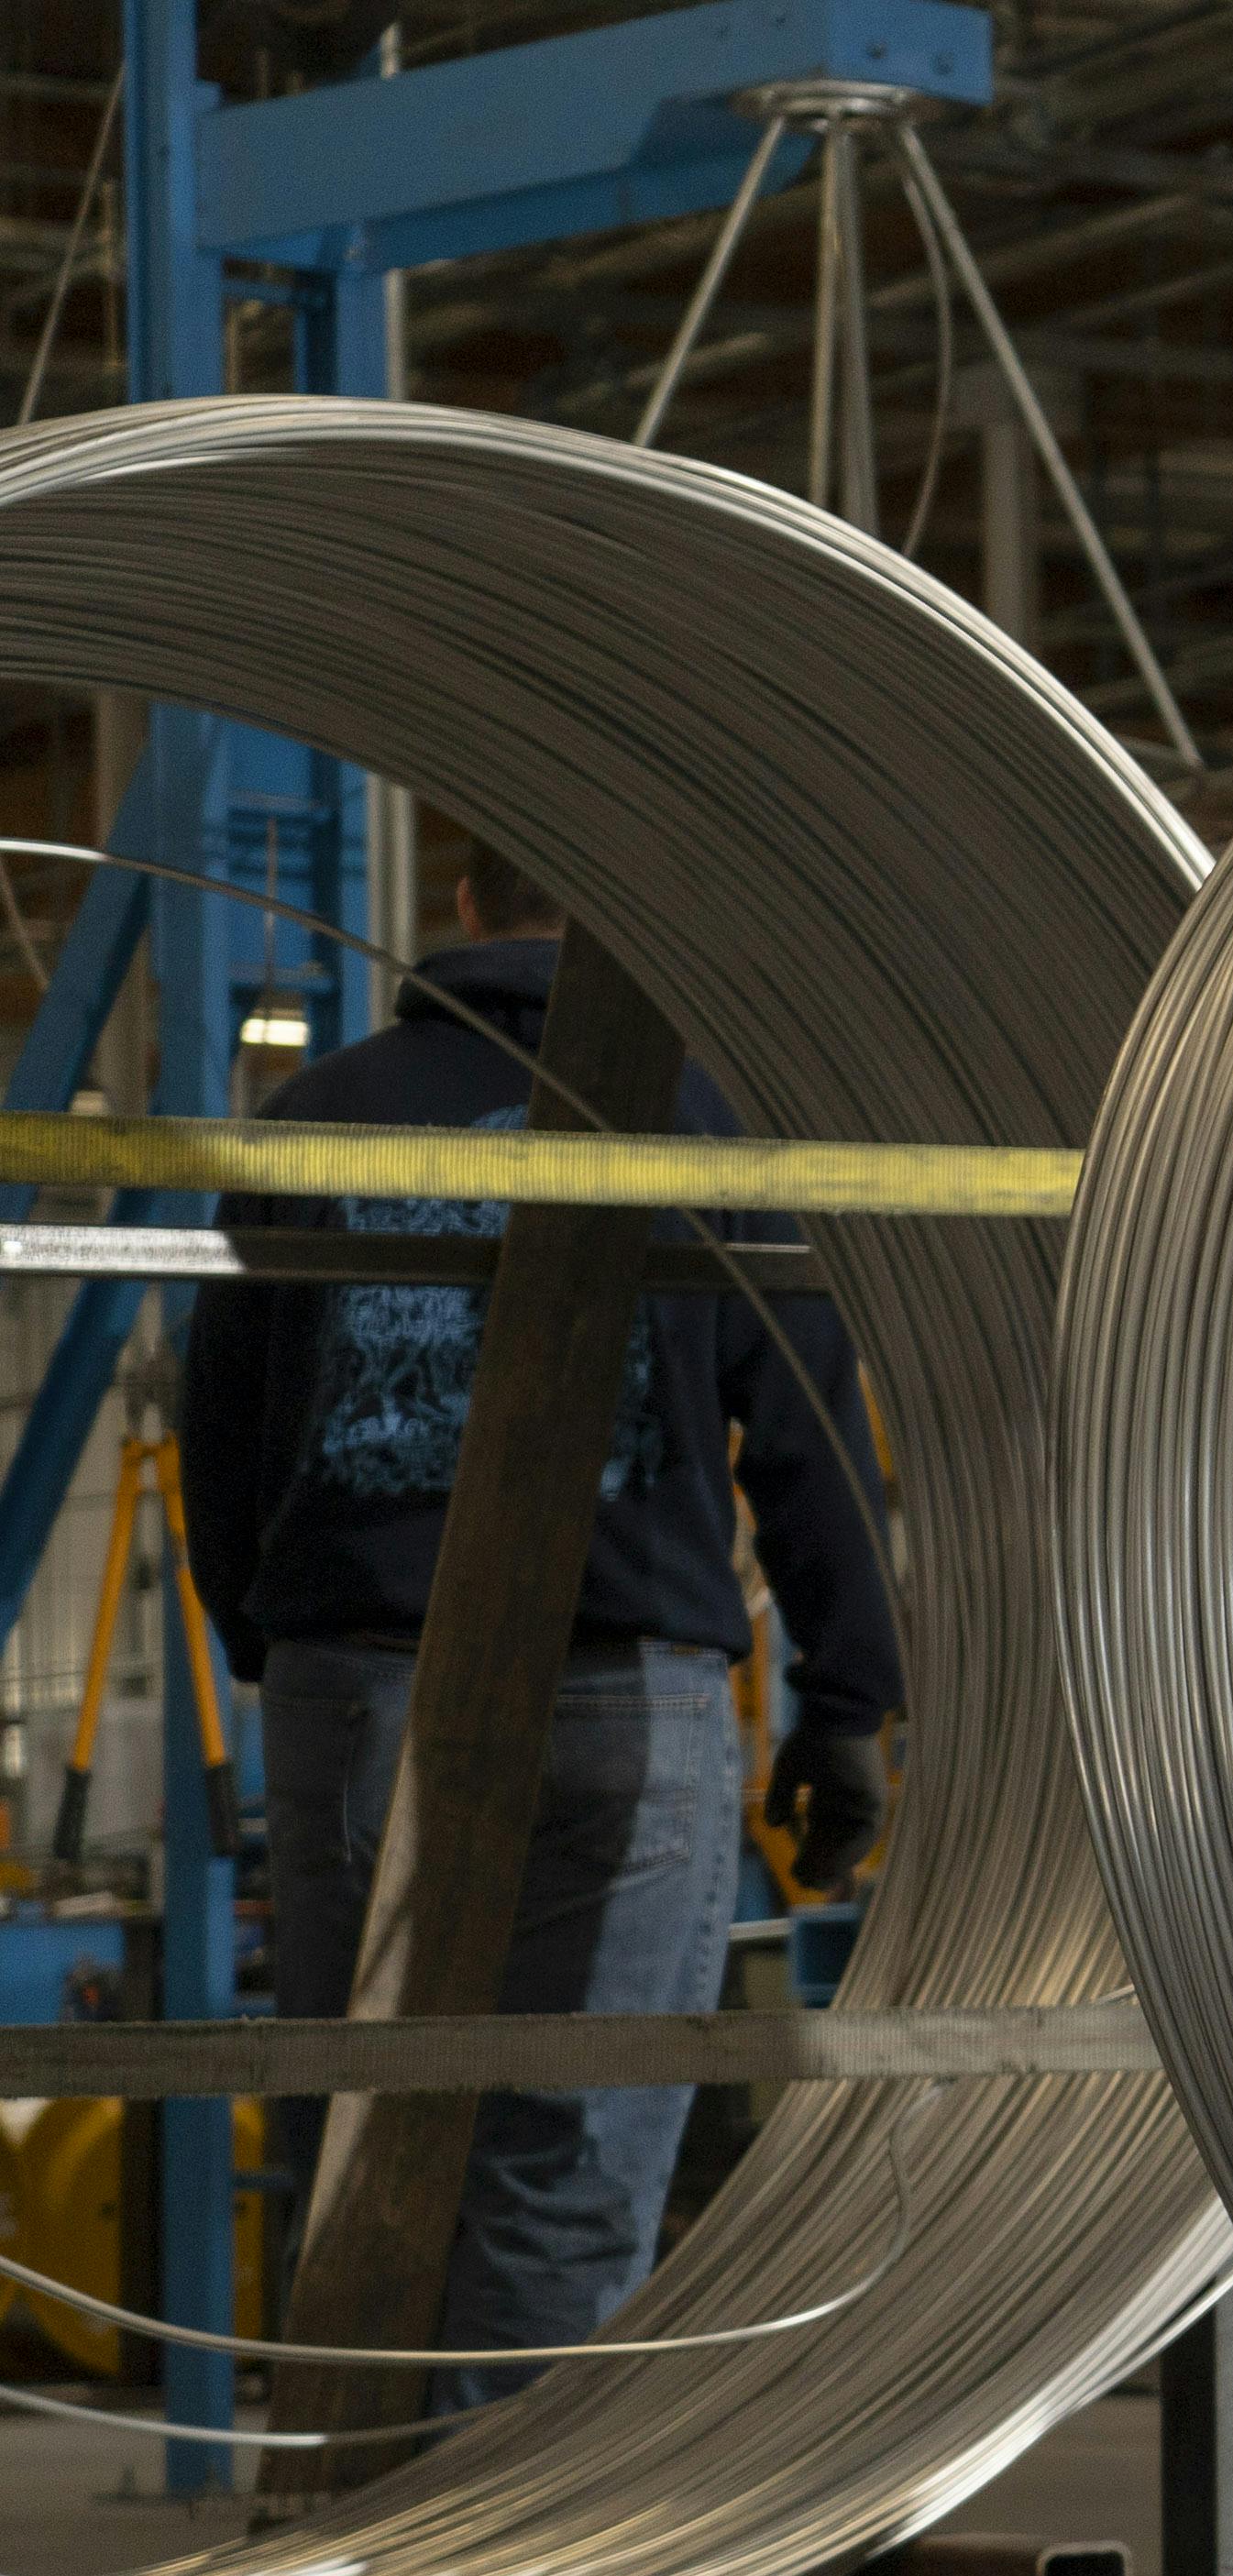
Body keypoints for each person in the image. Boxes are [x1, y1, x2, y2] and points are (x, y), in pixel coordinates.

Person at [179, 842, 899, 2407]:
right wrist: (844, 1704)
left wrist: (278, 1644)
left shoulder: (321, 1115)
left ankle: (356, 2531)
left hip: (356, 1684)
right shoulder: (703, 1120)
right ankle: (498, 2564)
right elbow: (806, 1432)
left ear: (461, 908)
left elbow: (220, 1422)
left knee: (362, 2137)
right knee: (563, 2162)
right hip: (621, 1692)